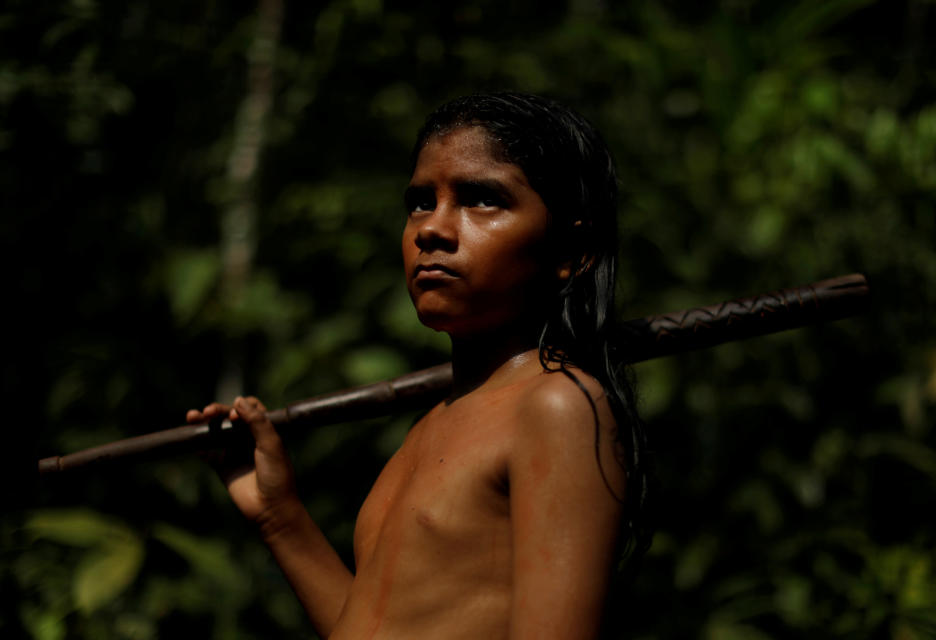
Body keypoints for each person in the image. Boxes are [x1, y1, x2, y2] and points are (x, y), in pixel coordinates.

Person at [187, 92, 648, 639]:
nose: (432, 228)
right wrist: (279, 517)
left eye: (481, 199)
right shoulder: (431, 425)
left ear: (574, 250)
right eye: (420, 202)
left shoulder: (558, 406)